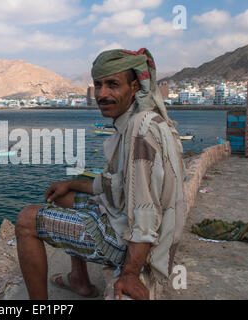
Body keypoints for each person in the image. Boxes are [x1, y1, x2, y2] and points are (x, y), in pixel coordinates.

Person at [15, 48, 186, 300]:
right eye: (98, 85)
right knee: (64, 197)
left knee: (27, 220)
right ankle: (79, 280)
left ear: (134, 87)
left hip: (129, 242)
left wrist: (129, 273)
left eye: (113, 85)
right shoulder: (132, 122)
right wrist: (70, 183)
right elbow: (112, 183)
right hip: (122, 218)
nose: (102, 94)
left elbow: (147, 213)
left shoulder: (140, 132)